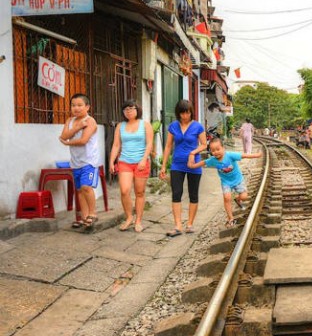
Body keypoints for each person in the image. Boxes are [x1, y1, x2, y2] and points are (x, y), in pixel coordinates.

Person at [187, 138, 262, 227]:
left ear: (223, 148)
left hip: (238, 180)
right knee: (227, 198)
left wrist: (257, 155)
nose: (216, 152)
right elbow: (203, 162)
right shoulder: (213, 160)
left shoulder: (230, 155)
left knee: (244, 196)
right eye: (213, 150)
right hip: (226, 182)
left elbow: (243, 155)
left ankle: (238, 199)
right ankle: (230, 218)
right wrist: (192, 165)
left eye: (218, 149)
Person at [159, 100, 207, 237]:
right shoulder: (173, 126)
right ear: (178, 113)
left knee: (193, 194)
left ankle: (190, 224)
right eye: (182, 113)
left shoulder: (197, 126)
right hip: (177, 164)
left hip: (194, 164)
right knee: (176, 193)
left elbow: (204, 144)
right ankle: (178, 225)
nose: (185, 115)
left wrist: (193, 152)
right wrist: (163, 165)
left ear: (191, 112)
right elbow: (168, 146)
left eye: (187, 112)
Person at [109, 100, 153, 233]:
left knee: (139, 192)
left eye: (131, 108)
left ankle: (138, 220)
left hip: (141, 162)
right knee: (124, 190)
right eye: (125, 109)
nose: (128, 111)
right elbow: (116, 145)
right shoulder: (120, 126)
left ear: (137, 109)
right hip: (124, 162)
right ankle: (129, 217)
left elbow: (149, 144)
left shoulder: (145, 125)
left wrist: (144, 160)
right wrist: (111, 161)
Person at [59, 93, 100, 230]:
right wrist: (76, 128)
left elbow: (83, 140)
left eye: (79, 105)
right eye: (73, 105)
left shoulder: (90, 121)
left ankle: (93, 214)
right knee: (79, 191)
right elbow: (63, 136)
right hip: (76, 162)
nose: (76, 108)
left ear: (87, 107)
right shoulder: (70, 121)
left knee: (86, 187)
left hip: (89, 161)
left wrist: (67, 143)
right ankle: (84, 217)